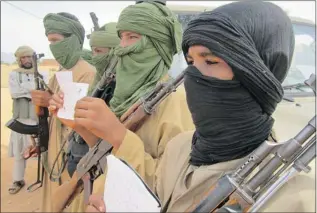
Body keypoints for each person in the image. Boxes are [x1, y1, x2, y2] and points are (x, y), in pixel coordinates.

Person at [84, 1, 314, 212]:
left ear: (260, 71)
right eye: (191, 62)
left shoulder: (294, 197)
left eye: (211, 61)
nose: (193, 76)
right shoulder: (180, 148)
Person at [48, 2, 194, 212]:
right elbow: (106, 153)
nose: (122, 47)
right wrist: (78, 125)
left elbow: (172, 187)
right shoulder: (127, 96)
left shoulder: (175, 102)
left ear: (157, 43)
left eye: (132, 37)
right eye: (121, 37)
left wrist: (119, 135)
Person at [29, 12, 96, 212]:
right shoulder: (60, 73)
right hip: (54, 149)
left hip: (72, 154)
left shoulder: (87, 72)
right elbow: (52, 113)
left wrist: (50, 100)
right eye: (49, 41)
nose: (53, 47)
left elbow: (83, 122)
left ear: (73, 40)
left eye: (56, 41)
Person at [67, 22, 120, 178]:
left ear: (114, 52)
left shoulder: (120, 87)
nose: (94, 57)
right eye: (93, 51)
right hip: (78, 153)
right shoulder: (99, 79)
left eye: (98, 51)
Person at [7, 46, 46, 194]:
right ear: (19, 60)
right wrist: (33, 91)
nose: (27, 60)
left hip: (38, 120)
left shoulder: (42, 74)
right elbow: (15, 92)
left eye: (30, 57)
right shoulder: (14, 75)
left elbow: (44, 92)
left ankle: (45, 181)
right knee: (19, 154)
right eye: (24, 57)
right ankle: (18, 180)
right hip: (21, 121)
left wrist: (27, 90)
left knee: (43, 152)